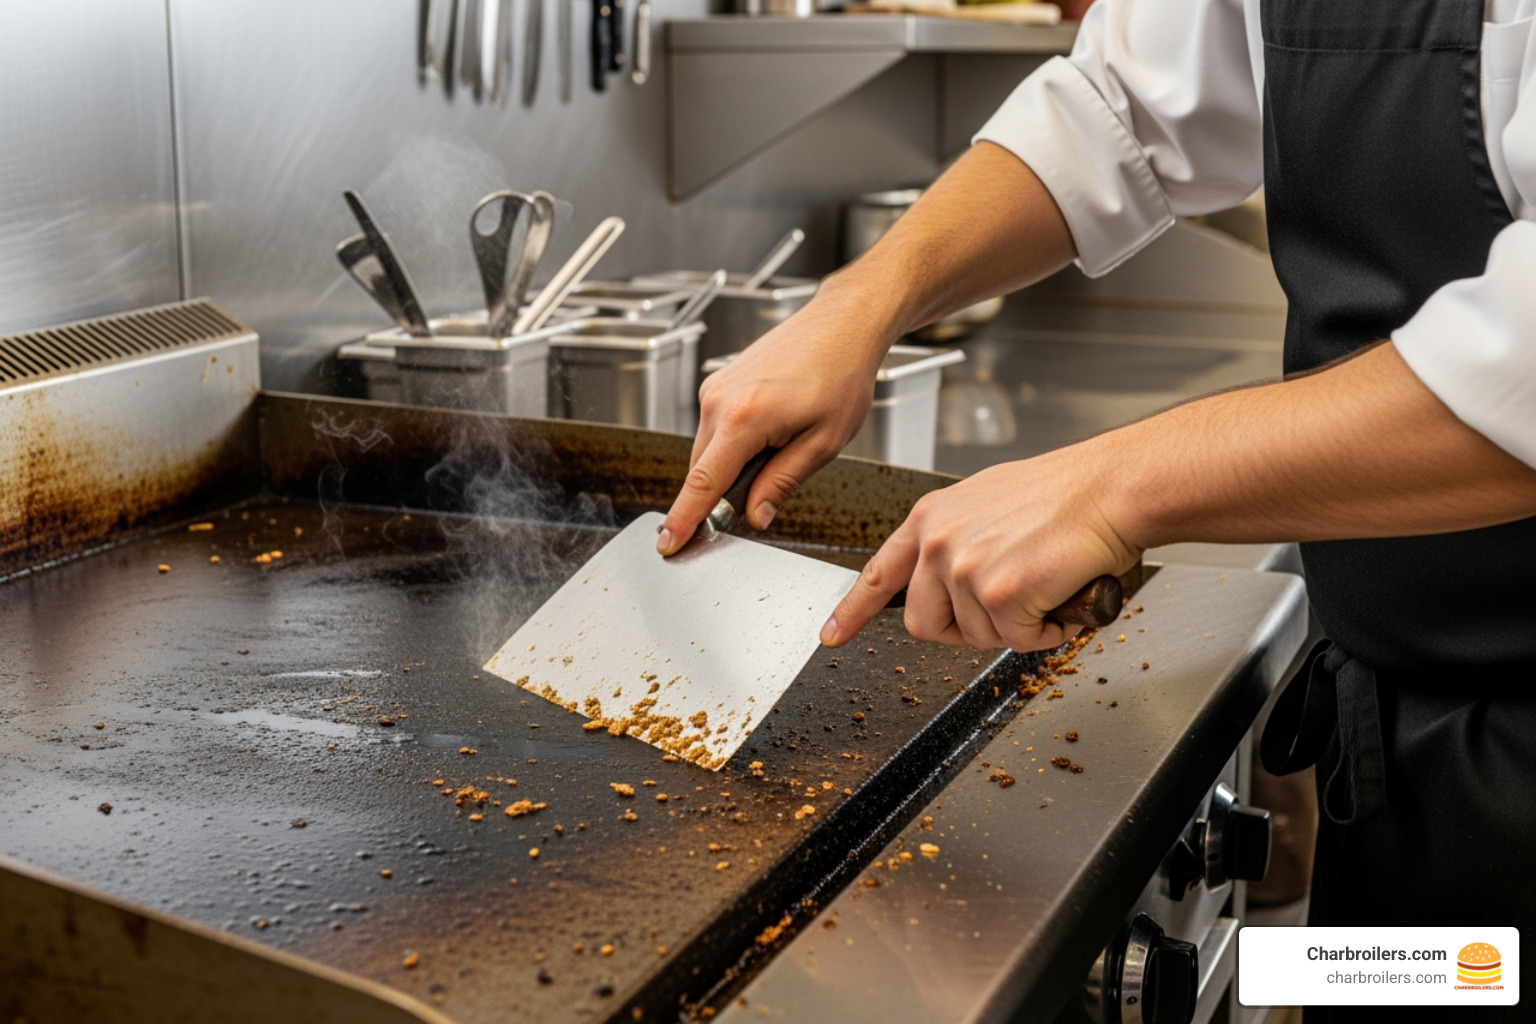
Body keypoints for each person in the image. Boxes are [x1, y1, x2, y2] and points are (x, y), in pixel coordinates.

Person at [658, 0, 1536, 1018]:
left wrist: (1108, 486)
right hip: (1406, 746)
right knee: (1392, 980)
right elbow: (1120, 108)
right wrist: (860, 305)